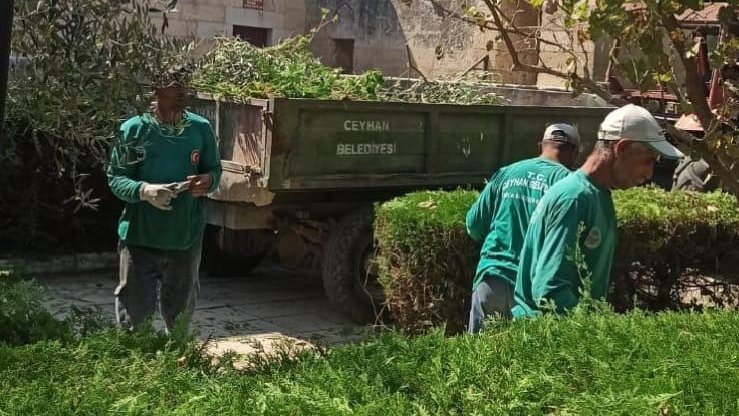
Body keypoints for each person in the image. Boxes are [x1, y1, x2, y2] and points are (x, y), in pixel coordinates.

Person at [511, 104, 684, 318]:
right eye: (648, 161)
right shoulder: (575, 198)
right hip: (546, 338)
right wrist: (600, 328)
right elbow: (550, 292)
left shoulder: (598, 196)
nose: (649, 174)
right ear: (622, 148)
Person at [107, 65, 223, 332]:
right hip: (139, 240)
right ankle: (135, 365)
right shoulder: (133, 129)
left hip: (185, 239)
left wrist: (207, 182)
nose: (182, 91)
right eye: (174, 85)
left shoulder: (200, 128)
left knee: (180, 322)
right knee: (135, 325)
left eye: (184, 85)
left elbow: (214, 170)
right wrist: (145, 191)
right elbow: (116, 178)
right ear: (156, 90)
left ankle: (176, 364)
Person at [465, 123, 581, 333]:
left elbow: (473, 225)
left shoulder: (507, 173)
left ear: (541, 145)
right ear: (574, 152)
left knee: (477, 360)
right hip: (532, 293)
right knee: (524, 363)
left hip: (492, 279)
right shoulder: (570, 185)